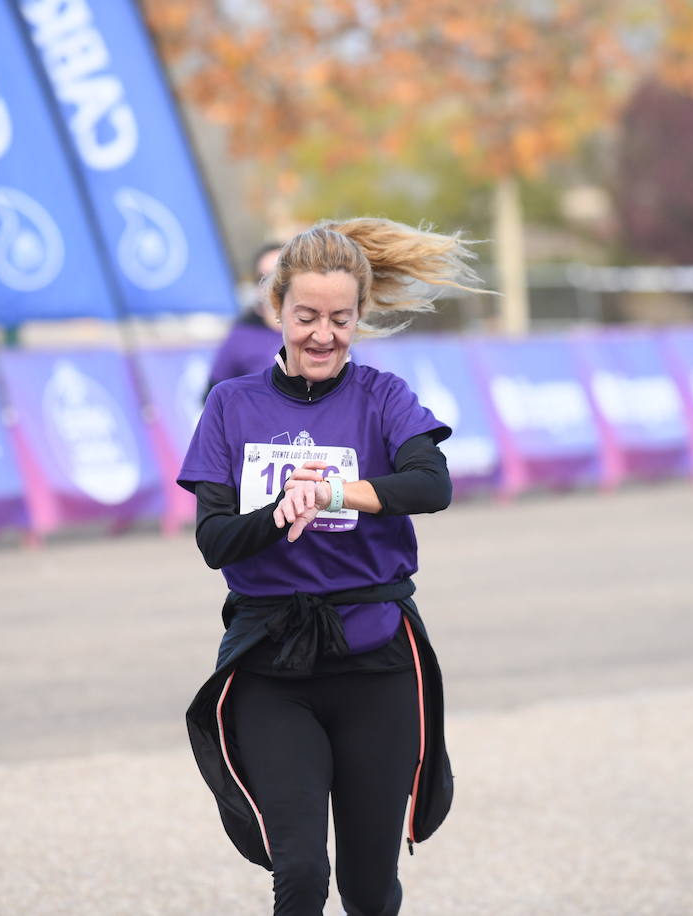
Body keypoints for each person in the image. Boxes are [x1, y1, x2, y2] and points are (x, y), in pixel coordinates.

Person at [178, 217, 479, 915]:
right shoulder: (232, 405)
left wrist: (339, 491)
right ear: (275, 308)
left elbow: (431, 486)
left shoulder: (383, 397)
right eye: (306, 315)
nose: (323, 334)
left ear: (360, 317)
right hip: (270, 666)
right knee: (304, 874)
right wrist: (282, 509)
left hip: (376, 663)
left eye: (341, 319)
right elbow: (215, 540)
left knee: (369, 892)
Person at [205, 242, 286, 395]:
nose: (278, 284)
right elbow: (212, 397)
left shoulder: (320, 329)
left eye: (284, 275)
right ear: (258, 287)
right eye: (268, 277)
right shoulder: (242, 336)